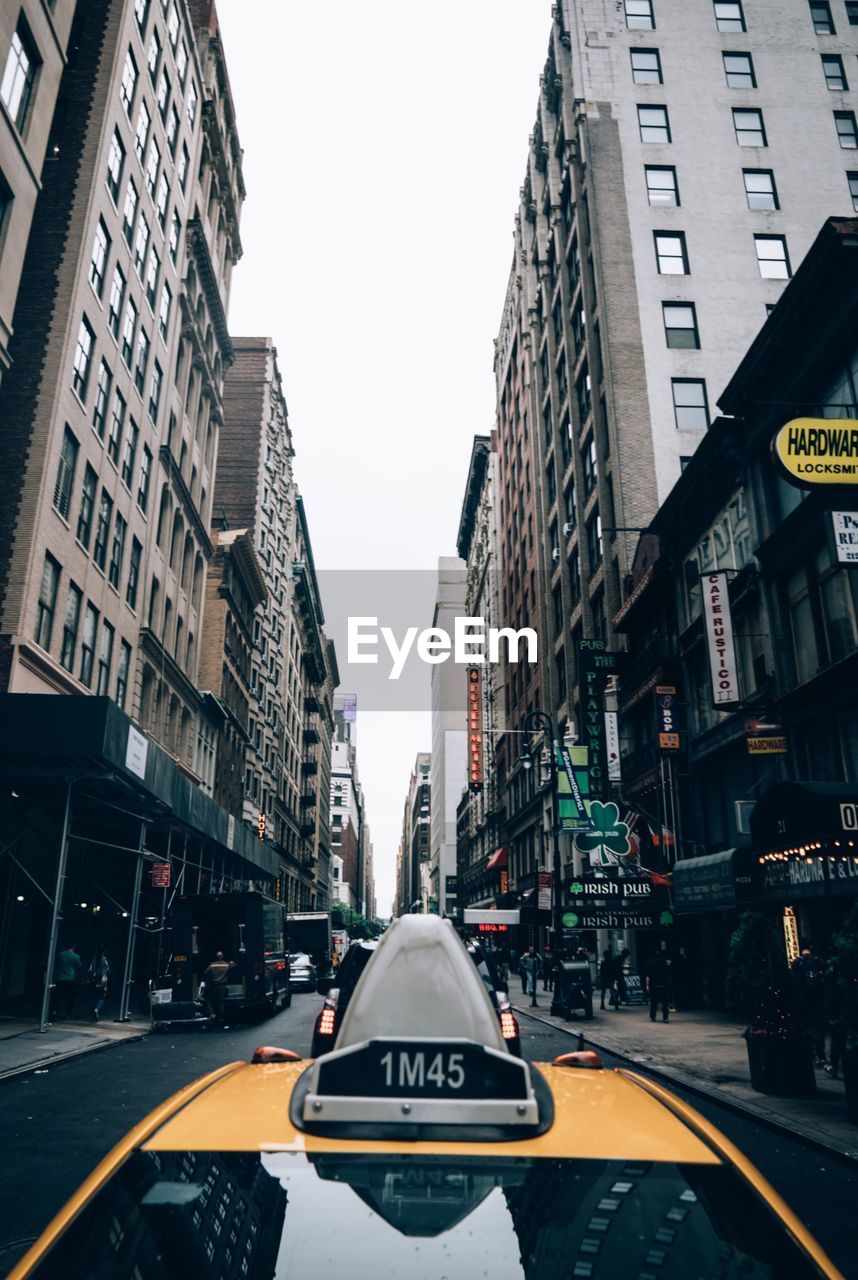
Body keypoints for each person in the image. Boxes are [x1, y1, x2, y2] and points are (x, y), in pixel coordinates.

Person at [791, 945, 826, 1064]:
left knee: (806, 1025)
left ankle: (808, 1052)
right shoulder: (818, 961)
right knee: (819, 1027)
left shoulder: (798, 962)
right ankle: (821, 1054)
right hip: (818, 1000)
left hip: (803, 1000)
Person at [203, 951, 232, 1026]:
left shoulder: (212, 965)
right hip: (223, 985)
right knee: (221, 1002)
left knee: (214, 1001)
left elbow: (206, 972)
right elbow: (233, 966)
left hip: (214, 985)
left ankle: (214, 1016)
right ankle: (220, 1018)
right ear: (222, 957)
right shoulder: (226, 964)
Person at [54, 944, 81, 1020]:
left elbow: (56, 964)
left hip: (60, 979)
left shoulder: (60, 954)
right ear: (74, 947)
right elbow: (79, 966)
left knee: (58, 997)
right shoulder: (76, 956)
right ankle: (68, 1014)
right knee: (70, 998)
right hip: (70, 979)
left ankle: (55, 1012)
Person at [645, 949, 671, 1023]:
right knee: (665, 1002)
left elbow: (647, 975)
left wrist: (647, 985)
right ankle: (665, 1017)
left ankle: (653, 1016)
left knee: (654, 1001)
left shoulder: (648, 962)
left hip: (653, 984)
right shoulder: (664, 962)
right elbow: (668, 972)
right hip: (663, 983)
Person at [87, 945, 110, 1022]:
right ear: (104, 952)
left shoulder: (94, 959)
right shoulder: (104, 960)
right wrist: (104, 983)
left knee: (93, 997)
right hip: (101, 981)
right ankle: (96, 1010)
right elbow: (106, 971)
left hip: (93, 981)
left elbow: (89, 970)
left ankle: (92, 1013)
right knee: (101, 997)